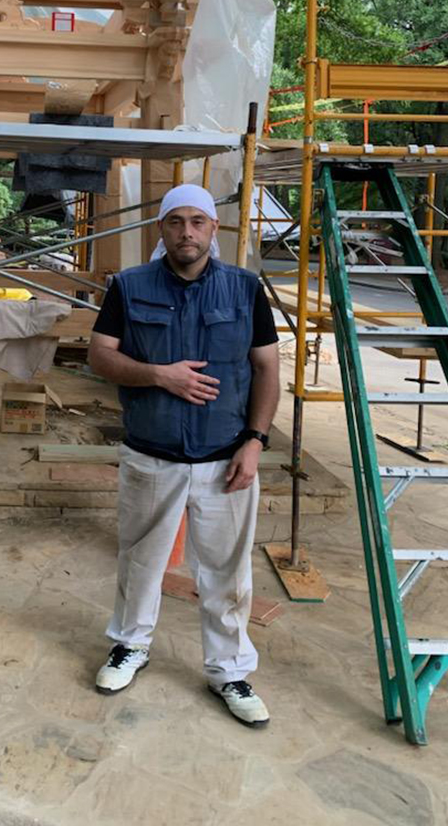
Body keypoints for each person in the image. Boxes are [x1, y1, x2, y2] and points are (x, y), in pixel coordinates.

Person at [89, 183, 280, 728]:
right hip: (153, 455)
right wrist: (158, 376)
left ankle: (229, 670)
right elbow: (101, 357)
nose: (187, 232)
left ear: (214, 230)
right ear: (161, 229)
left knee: (226, 571)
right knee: (141, 560)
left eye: (198, 221)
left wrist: (254, 442)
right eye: (176, 222)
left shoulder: (244, 290)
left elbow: (267, 369)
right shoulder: (128, 286)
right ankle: (130, 646)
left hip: (226, 458)